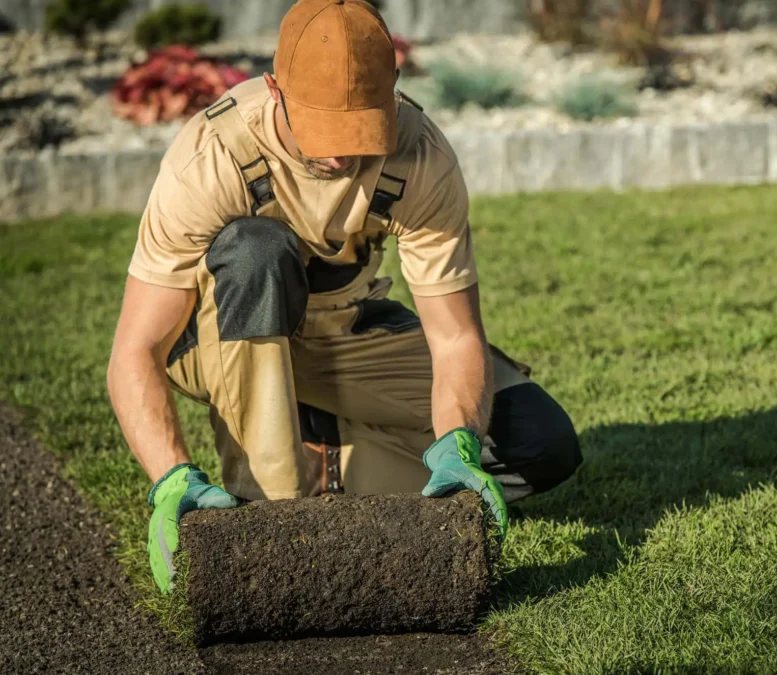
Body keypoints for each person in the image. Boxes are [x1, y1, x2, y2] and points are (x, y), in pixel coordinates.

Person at [107, 0, 582, 594]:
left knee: (539, 442)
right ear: (276, 91)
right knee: (255, 249)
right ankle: (268, 508)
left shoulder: (420, 155)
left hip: (345, 332)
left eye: (360, 129)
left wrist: (458, 442)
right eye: (323, 128)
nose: (340, 154)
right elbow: (136, 350)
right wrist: (170, 477)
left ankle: (325, 453)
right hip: (222, 340)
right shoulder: (212, 156)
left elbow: (455, 334)